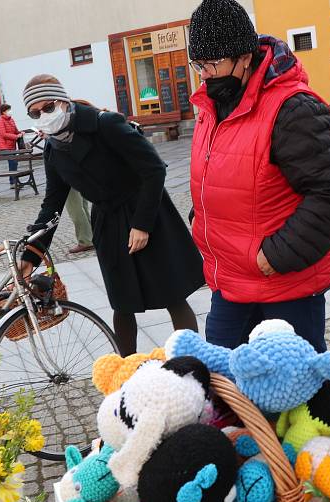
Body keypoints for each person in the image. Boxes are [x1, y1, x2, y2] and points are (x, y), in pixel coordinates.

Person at [186, 0, 330, 351]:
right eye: (198, 65)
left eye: (212, 64)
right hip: (230, 281)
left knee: (294, 393)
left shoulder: (293, 109)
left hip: (283, 286)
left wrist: (276, 256)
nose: (204, 74)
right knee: (222, 385)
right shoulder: (210, 107)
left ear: (245, 57)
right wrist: (203, 218)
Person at [20, 74, 204, 356]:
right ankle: (124, 373)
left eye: (48, 107)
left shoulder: (106, 124)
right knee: (122, 303)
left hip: (146, 210)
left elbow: (154, 169)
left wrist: (142, 225)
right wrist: (31, 254)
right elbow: (52, 204)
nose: (43, 115)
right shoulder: (53, 149)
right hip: (108, 222)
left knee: (172, 295)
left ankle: (195, 362)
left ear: (63, 102)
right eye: (35, 112)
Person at [0, 103, 23, 189]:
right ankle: (13, 182)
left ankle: (14, 181)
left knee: (14, 163)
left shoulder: (11, 120)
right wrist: (16, 136)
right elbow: (3, 134)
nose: (10, 111)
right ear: (3, 112)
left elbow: (15, 131)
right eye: (8, 110)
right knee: (13, 162)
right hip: (4, 146)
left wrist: (20, 133)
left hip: (11, 145)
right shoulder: (0, 121)